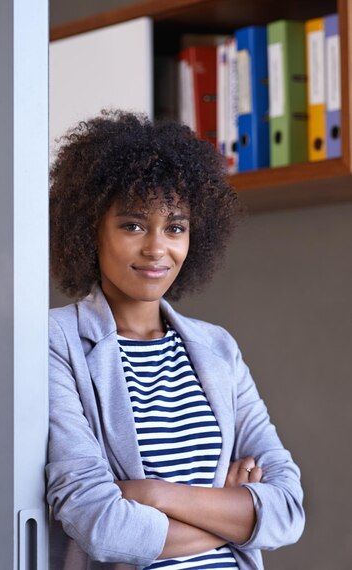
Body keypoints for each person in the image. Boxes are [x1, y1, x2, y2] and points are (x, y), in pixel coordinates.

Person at [47, 110, 304, 570]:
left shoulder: (218, 348)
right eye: (132, 225)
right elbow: (101, 524)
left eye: (175, 226)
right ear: (90, 229)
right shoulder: (57, 341)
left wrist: (155, 494)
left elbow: (286, 511)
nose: (157, 248)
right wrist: (229, 510)